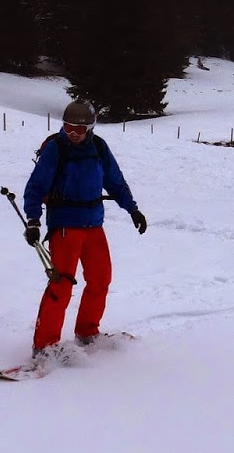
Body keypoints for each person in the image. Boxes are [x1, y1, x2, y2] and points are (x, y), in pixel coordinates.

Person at [22, 98, 147, 354]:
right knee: (61, 285)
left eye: (79, 129)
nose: (73, 134)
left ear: (90, 128)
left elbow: (115, 181)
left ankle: (87, 332)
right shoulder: (56, 149)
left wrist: (132, 209)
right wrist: (33, 221)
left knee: (101, 279)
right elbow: (36, 187)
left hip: (93, 225)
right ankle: (45, 346)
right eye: (68, 127)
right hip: (65, 225)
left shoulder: (99, 147)